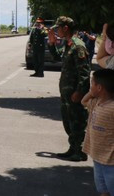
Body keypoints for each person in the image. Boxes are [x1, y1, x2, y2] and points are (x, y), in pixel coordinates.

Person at [48, 15, 90, 161]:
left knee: (77, 121)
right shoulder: (69, 44)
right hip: (67, 93)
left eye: (58, 28)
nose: (57, 31)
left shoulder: (78, 45)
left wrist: (80, 91)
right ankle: (73, 149)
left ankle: (79, 151)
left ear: (65, 28)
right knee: (69, 122)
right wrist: (52, 44)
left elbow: (84, 72)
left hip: (74, 93)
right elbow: (57, 59)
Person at [82, 69, 114, 195]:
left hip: (110, 161)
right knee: (103, 190)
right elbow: (83, 101)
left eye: (92, 84)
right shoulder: (96, 103)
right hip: (97, 157)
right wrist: (91, 93)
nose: (90, 87)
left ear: (99, 87)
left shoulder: (112, 108)